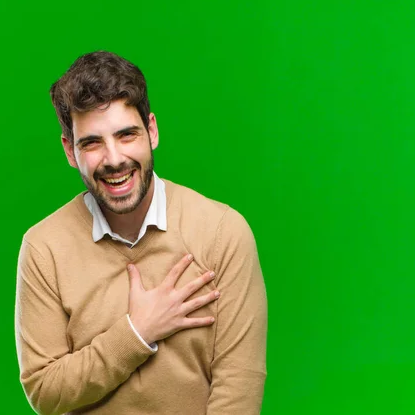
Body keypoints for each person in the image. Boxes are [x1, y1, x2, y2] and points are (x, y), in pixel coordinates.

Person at [14, 51, 268, 415]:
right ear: (70, 150)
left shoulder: (222, 233)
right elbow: (45, 391)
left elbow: (239, 387)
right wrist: (136, 333)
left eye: (126, 134)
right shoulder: (44, 248)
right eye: (92, 143)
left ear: (151, 130)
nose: (114, 158)